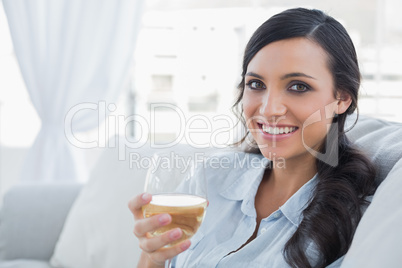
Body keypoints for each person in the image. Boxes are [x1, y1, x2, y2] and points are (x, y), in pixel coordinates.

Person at [128, 7, 376, 268]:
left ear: (343, 98)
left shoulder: (356, 220)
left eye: (298, 87)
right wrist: (153, 256)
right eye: (256, 84)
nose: (269, 109)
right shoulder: (209, 179)